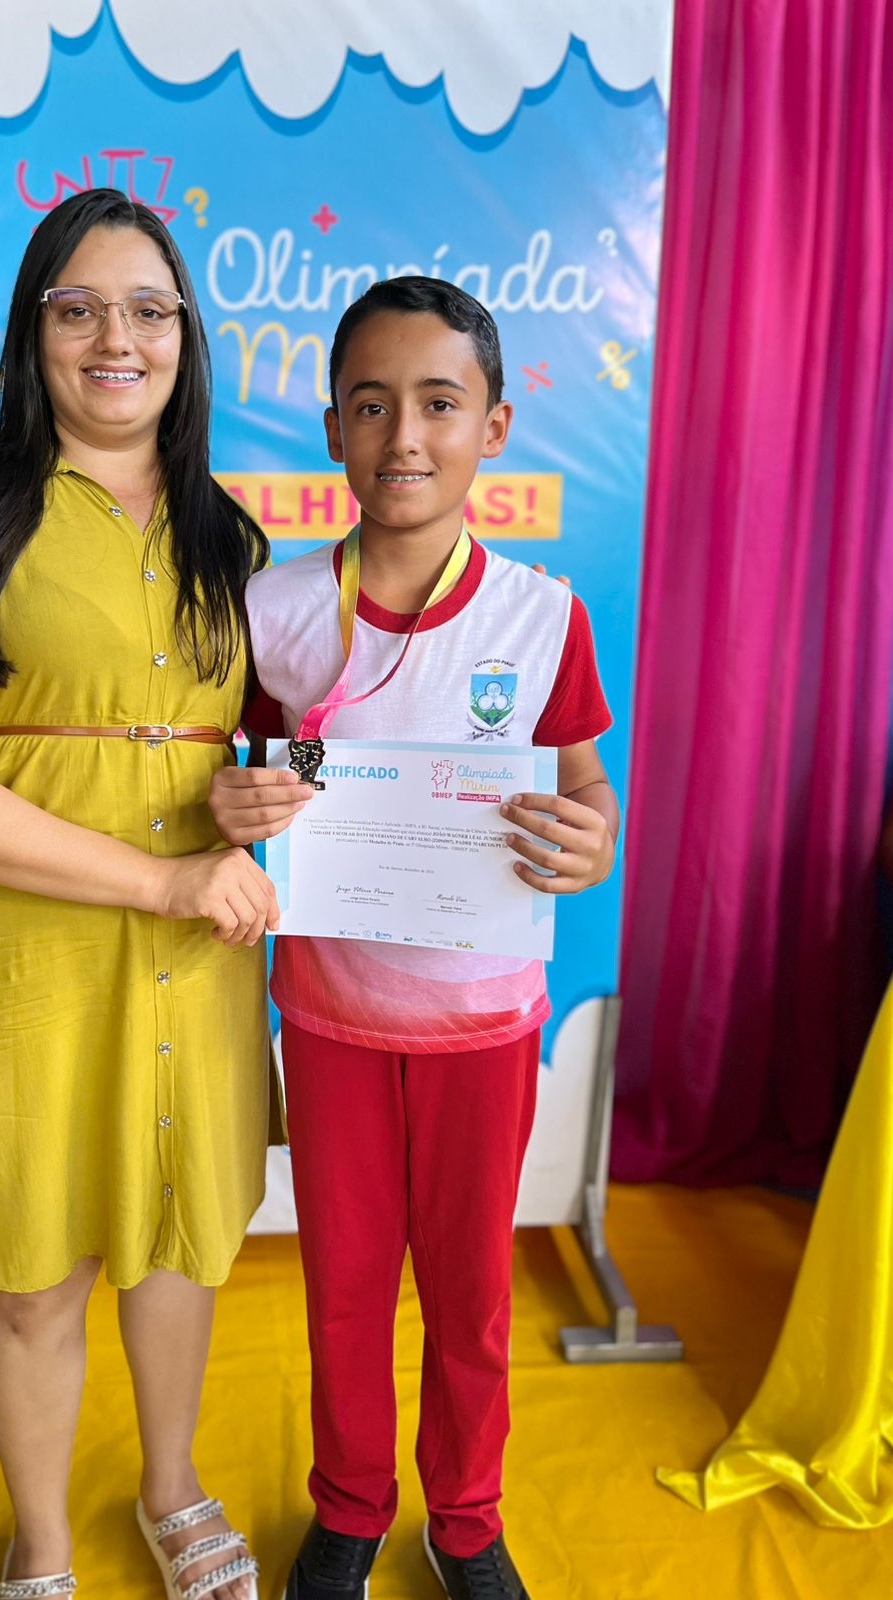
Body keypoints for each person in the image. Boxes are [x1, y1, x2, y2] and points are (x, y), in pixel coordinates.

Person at [0, 188, 296, 1600]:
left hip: (199, 965)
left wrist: (262, 807)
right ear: (31, 333)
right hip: (28, 958)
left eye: (150, 309)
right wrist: (160, 876)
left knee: (178, 1241)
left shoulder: (236, 543)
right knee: (34, 1270)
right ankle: (42, 1545)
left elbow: (263, 757)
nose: (119, 338)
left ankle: (171, 1489)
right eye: (80, 308)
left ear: (187, 338)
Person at [209, 278, 619, 1600]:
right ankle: (348, 1506)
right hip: (330, 1017)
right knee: (340, 1286)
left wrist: (593, 839)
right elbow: (233, 779)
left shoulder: (541, 617)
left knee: (470, 1296)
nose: (405, 434)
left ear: (493, 427)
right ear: (332, 427)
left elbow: (584, 785)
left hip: (484, 1024)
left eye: (440, 403)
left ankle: (468, 1521)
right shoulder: (276, 611)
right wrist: (233, 804)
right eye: (373, 404)